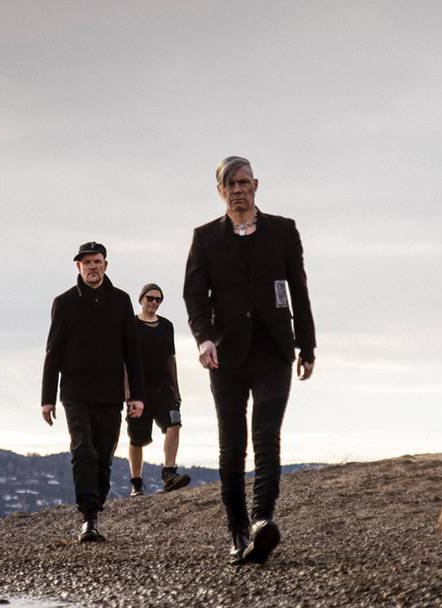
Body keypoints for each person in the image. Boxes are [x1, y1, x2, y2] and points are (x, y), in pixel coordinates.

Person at [183, 156, 315, 565]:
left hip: (274, 349)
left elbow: (298, 289)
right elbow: (194, 296)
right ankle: (237, 532)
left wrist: (307, 346)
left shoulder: (283, 231)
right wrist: (204, 339)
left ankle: (262, 521)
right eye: (230, 185)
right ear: (220, 191)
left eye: (244, 183)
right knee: (232, 444)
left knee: (266, 437)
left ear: (256, 185)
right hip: (225, 355)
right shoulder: (206, 237)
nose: (238, 190)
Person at [42, 241, 145, 543]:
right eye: (86, 262)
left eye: (96, 261)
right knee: (83, 449)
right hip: (75, 391)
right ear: (78, 267)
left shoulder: (121, 301)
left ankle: (95, 512)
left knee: (103, 455)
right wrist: (47, 399)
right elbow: (53, 352)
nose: (92, 267)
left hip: (111, 393)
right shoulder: (64, 302)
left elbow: (132, 351)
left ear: (105, 265)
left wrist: (137, 395)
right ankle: (88, 517)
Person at [126, 283, 191, 496]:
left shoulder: (166, 326)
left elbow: (171, 358)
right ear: (141, 299)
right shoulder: (131, 325)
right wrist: (127, 392)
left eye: (158, 299)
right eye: (150, 298)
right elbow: (124, 361)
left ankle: (169, 473)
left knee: (174, 424)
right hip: (139, 390)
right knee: (137, 438)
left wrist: (176, 389)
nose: (154, 302)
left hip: (164, 387)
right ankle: (136, 483)